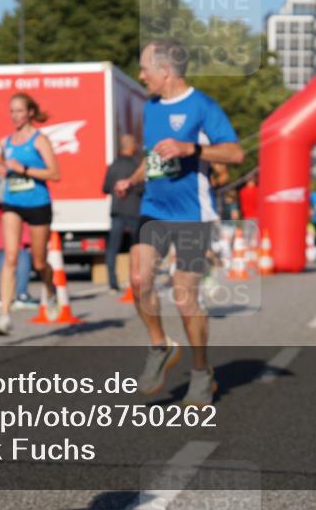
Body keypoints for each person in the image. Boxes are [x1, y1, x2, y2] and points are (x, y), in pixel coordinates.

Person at [115, 38, 243, 407]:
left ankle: (202, 372)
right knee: (138, 280)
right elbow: (152, 155)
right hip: (154, 206)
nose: (141, 76)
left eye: (145, 69)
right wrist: (134, 178)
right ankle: (160, 345)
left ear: (166, 71)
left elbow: (234, 152)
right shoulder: (151, 107)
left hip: (192, 214)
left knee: (186, 298)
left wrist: (192, 149)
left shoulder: (202, 106)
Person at [0, 92, 61, 335]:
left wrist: (24, 169)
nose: (15, 116)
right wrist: (2, 170)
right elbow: (4, 167)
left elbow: (55, 174)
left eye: (20, 111)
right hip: (13, 203)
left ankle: (50, 290)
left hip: (38, 205)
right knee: (11, 256)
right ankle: (4, 316)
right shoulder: (6, 143)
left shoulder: (39, 140)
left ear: (30, 112)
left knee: (40, 262)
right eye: (12, 111)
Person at [101, 134, 143, 292]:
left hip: (117, 210)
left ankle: (112, 281)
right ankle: (136, 279)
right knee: (136, 247)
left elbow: (105, 188)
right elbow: (142, 188)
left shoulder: (114, 165)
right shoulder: (136, 166)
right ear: (131, 146)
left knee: (113, 247)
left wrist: (116, 189)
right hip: (133, 210)